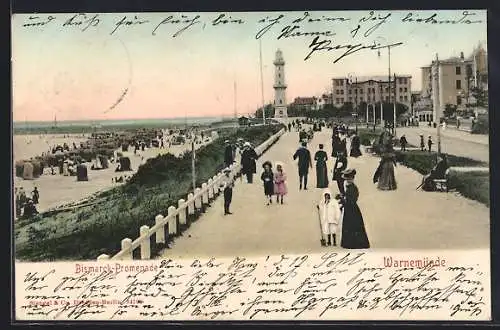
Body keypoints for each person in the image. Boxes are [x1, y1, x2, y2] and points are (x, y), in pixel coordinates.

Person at [339, 169, 370, 249]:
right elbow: (347, 198)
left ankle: (353, 243)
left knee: (352, 225)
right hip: (350, 209)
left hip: (351, 209)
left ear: (351, 179)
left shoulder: (353, 188)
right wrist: (342, 198)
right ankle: (351, 242)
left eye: (348, 179)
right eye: (347, 180)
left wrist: (342, 199)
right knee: (351, 225)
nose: (347, 181)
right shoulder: (350, 187)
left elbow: (351, 200)